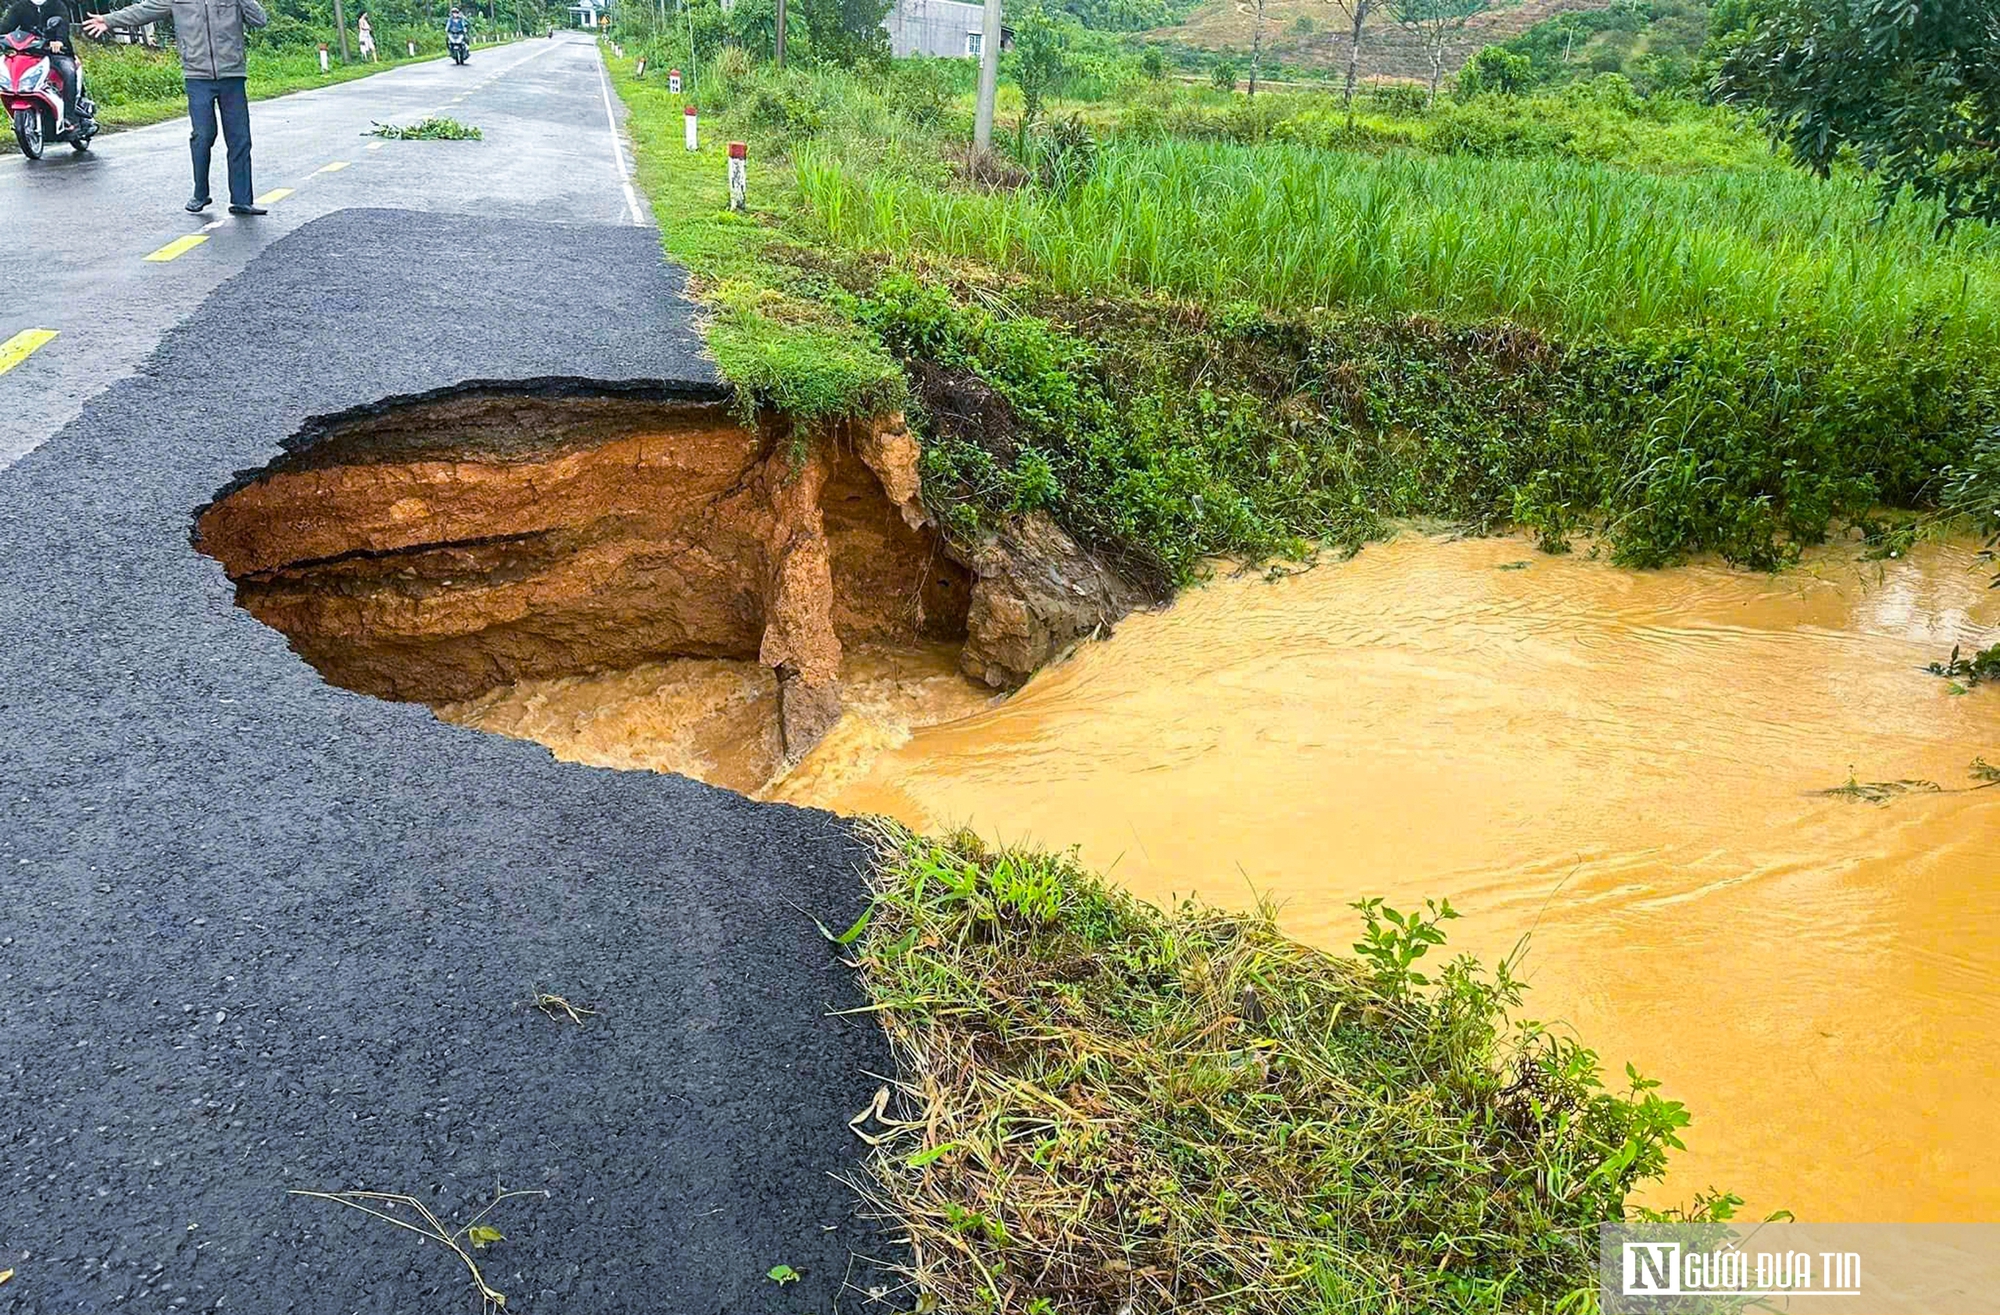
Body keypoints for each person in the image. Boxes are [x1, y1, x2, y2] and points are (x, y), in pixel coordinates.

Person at [83, 0, 269, 216]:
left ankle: (242, 200)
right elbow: (144, 10)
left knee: (240, 138)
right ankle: (201, 194)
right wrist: (108, 20)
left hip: (233, 74)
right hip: (197, 76)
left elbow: (260, 20)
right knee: (203, 135)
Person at [0, 0, 84, 127]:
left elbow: (63, 25)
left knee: (68, 71)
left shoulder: (57, 5)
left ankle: (69, 118)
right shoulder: (20, 6)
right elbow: (6, 27)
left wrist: (59, 40)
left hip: (57, 52)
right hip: (30, 52)